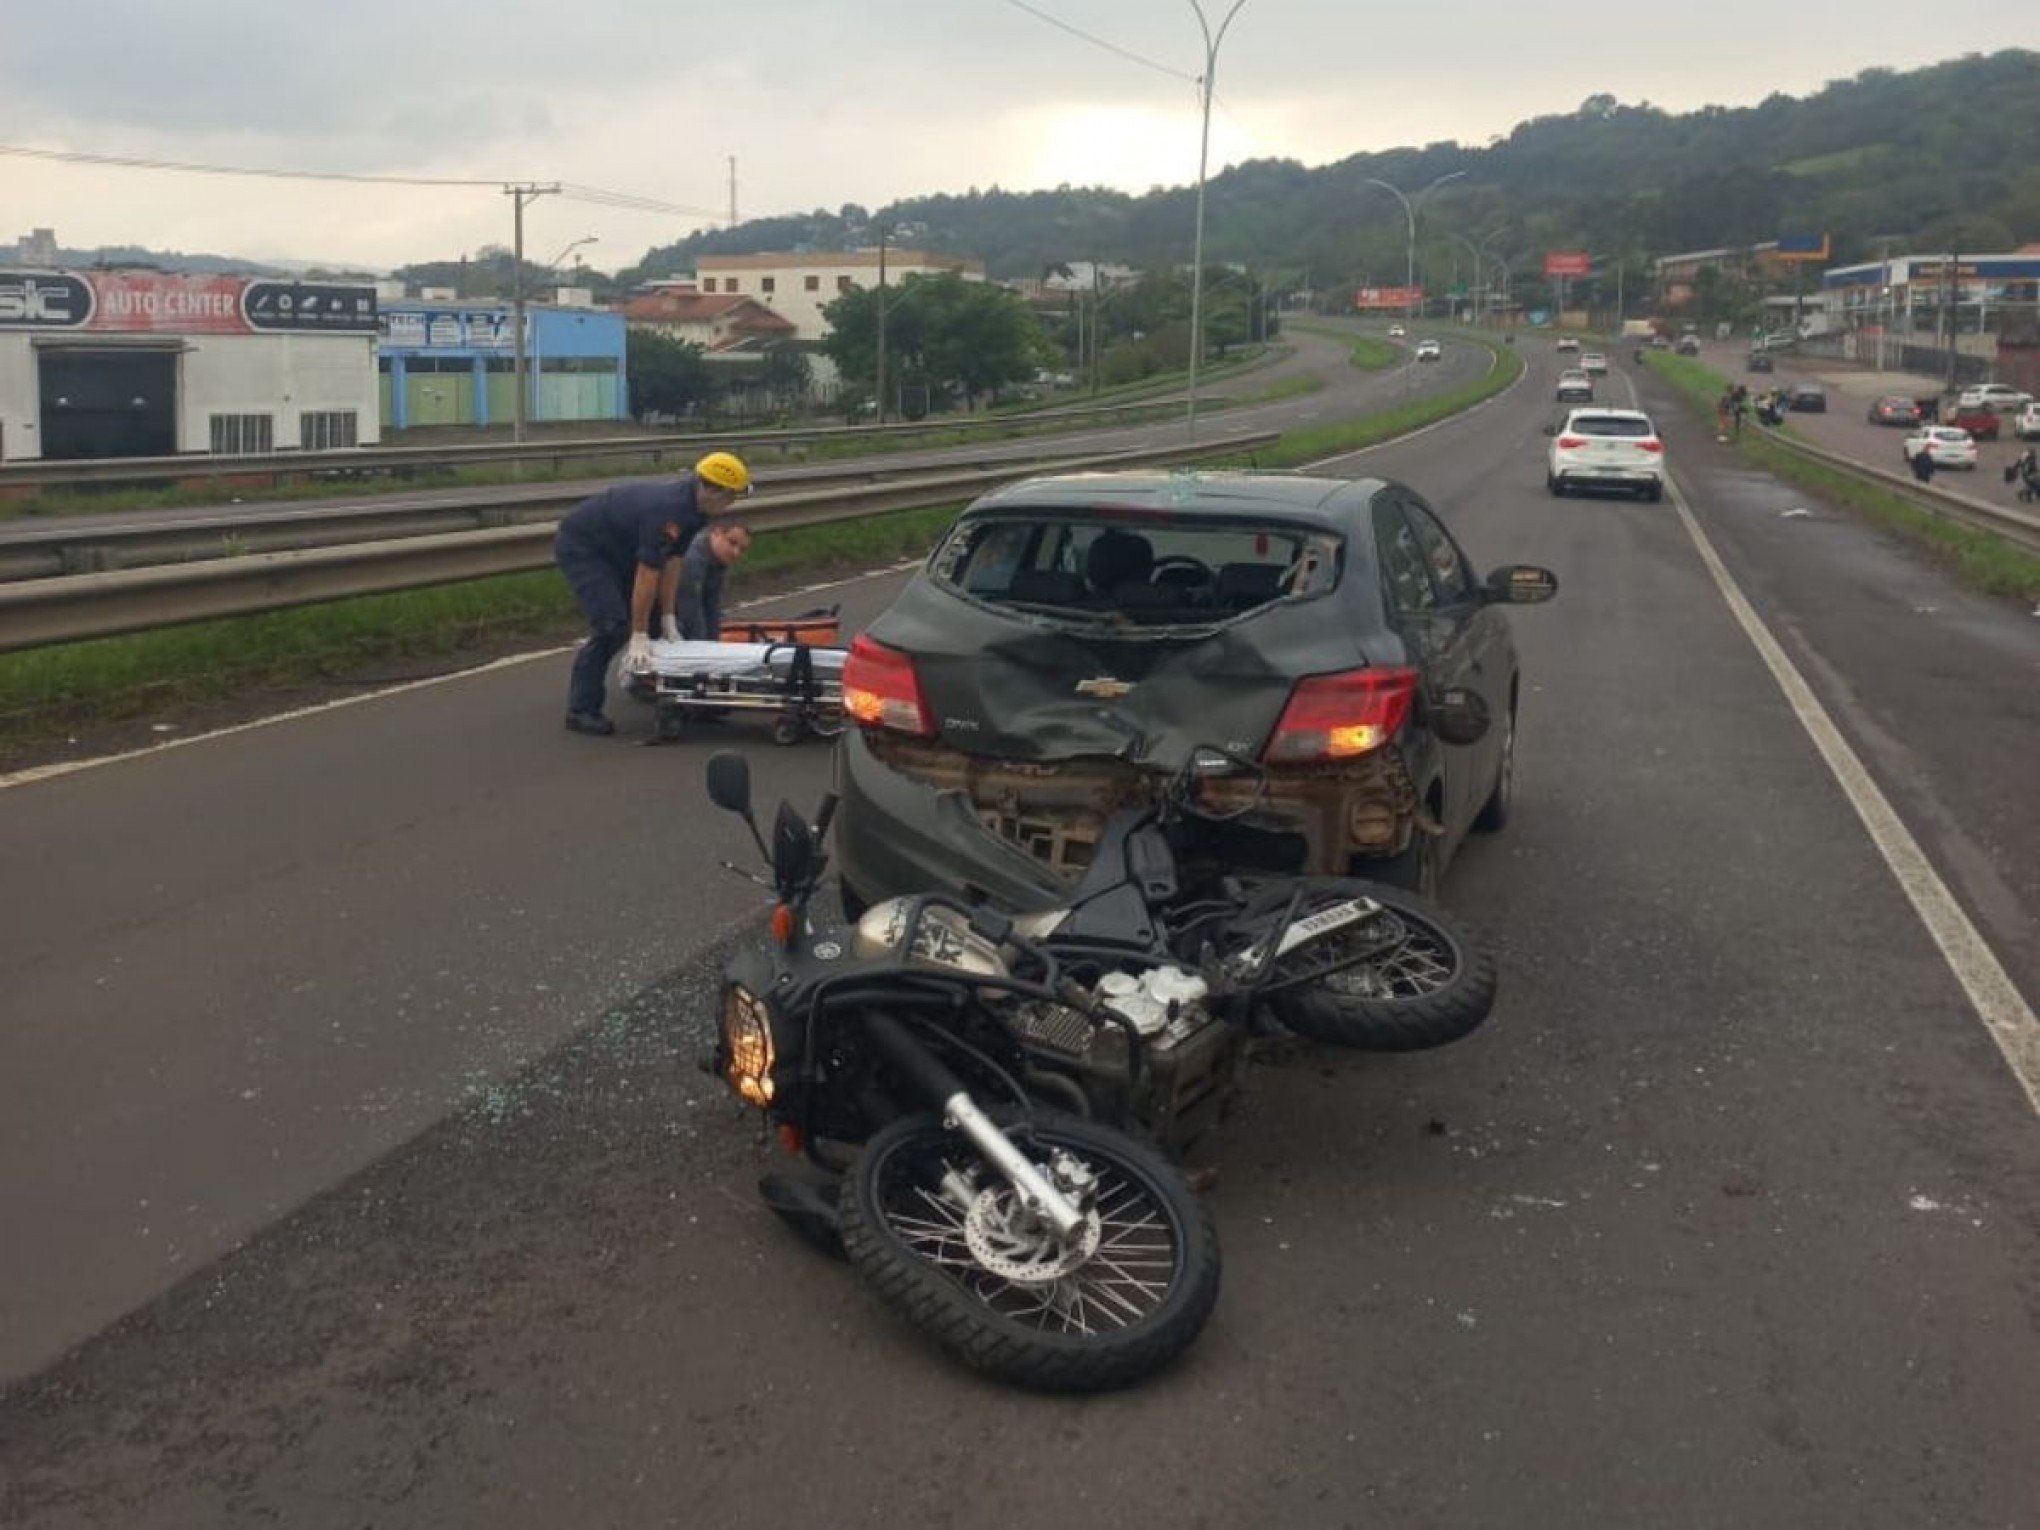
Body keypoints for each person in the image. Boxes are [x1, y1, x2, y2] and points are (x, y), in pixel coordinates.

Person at [551, 450, 751, 735]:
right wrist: (639, 634)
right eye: (729, 496)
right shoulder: (669, 511)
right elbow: (648, 571)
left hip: (620, 546)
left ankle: (658, 687)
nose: (731, 504)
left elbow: (673, 562)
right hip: (586, 547)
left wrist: (668, 616)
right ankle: (582, 709)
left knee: (655, 619)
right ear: (710, 489)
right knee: (613, 625)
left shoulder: (696, 511)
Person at [660, 520, 753, 641]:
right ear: (716, 533)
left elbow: (712, 609)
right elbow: (690, 610)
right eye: (732, 543)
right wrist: (703, 647)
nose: (736, 553)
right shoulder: (692, 558)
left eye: (742, 549)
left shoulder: (718, 560)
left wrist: (714, 645)